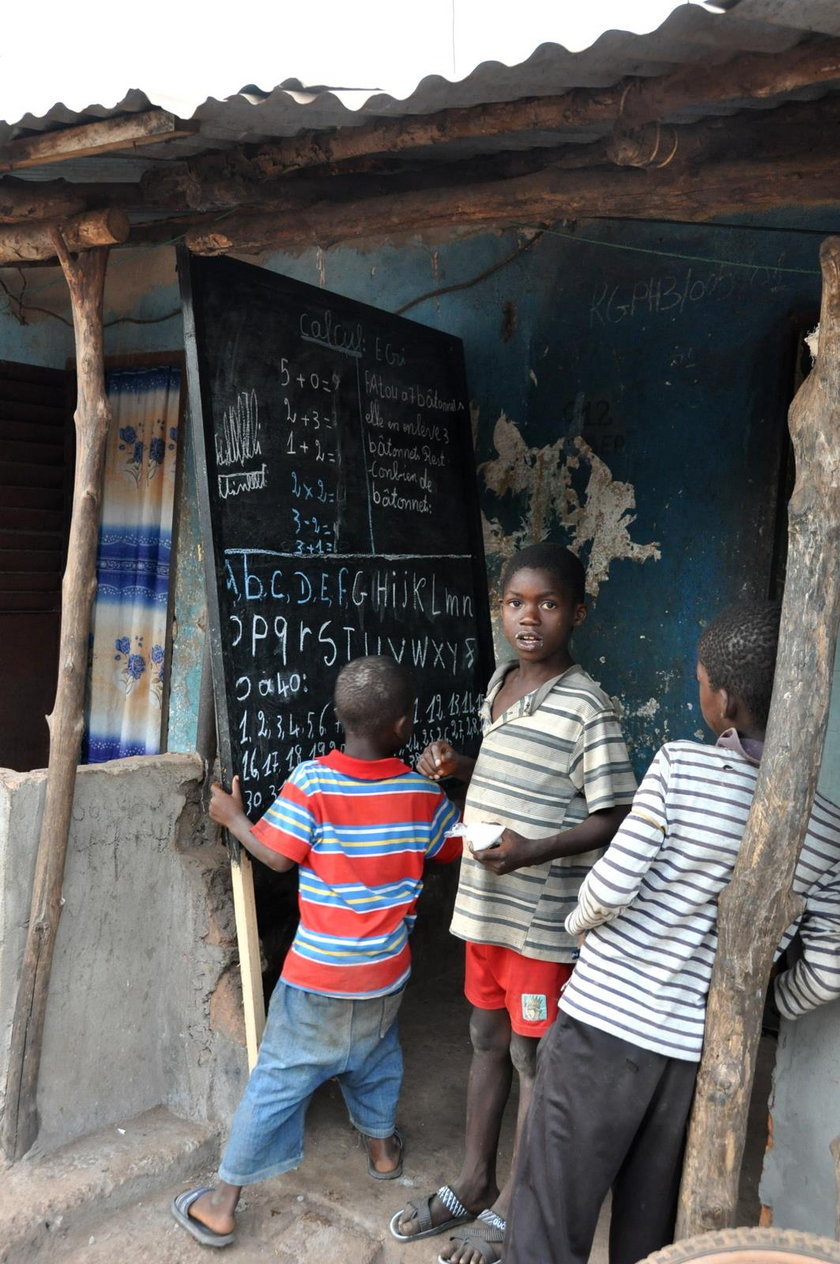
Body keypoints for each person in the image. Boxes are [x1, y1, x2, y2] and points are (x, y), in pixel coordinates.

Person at [504, 600, 840, 1264]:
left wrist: (578, 928)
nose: (701, 693)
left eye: (700, 682)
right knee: (648, 1232)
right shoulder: (827, 826)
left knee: (548, 1218)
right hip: (693, 1058)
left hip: (600, 1033)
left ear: (727, 704)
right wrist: (770, 1003)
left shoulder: (680, 769)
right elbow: (829, 967)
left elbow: (607, 889)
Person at [390, 542, 637, 1264]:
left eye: (549, 604)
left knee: (533, 1058)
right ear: (501, 609)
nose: (530, 618)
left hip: (538, 923)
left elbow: (613, 816)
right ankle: (472, 1182)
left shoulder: (589, 709)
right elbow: (510, 778)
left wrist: (531, 850)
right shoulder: (499, 684)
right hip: (487, 913)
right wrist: (461, 768)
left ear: (578, 613)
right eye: (516, 603)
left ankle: (511, 1211)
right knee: (485, 1040)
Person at [171, 655, 461, 1249]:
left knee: (278, 1077)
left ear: (337, 717)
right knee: (375, 1055)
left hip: (319, 975)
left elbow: (277, 856)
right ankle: (382, 1153)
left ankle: (223, 1205)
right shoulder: (421, 795)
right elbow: (453, 850)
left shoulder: (313, 782)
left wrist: (233, 818)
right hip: (387, 972)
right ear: (405, 728)